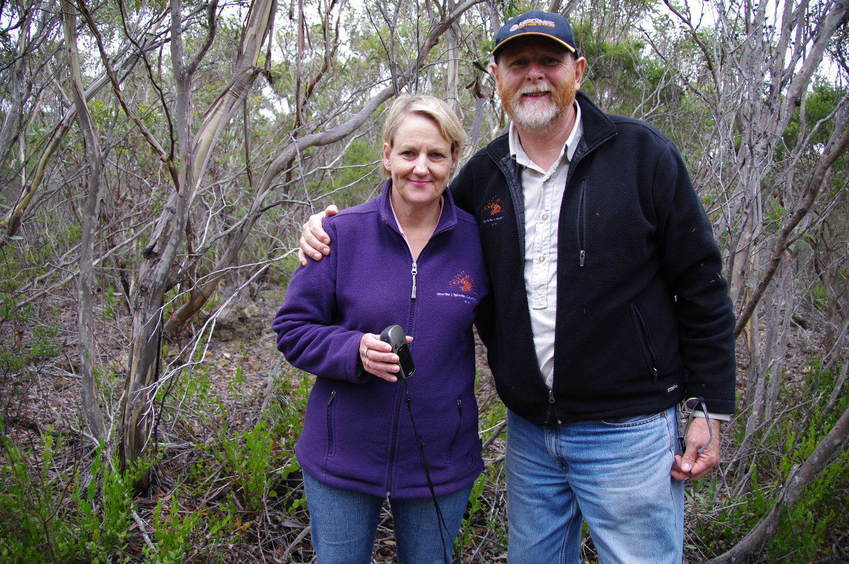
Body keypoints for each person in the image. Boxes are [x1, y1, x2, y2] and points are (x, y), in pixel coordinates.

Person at [298, 11, 736, 564]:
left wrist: (709, 407)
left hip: (629, 432)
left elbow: (701, 285)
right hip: (532, 432)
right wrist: (328, 227)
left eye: (549, 61)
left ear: (577, 70)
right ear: (497, 76)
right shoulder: (482, 176)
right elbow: (411, 211)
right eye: (517, 63)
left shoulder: (643, 156)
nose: (534, 75)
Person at [272, 94, 489, 564]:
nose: (421, 167)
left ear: (454, 160)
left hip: (441, 456)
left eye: (436, 154)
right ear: (386, 154)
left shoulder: (479, 241)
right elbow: (292, 328)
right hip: (342, 453)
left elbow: (510, 328)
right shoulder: (340, 234)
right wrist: (354, 351)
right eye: (409, 153)